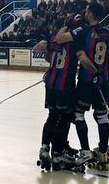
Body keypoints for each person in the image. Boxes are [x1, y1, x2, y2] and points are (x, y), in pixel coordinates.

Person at [56, 3, 109, 171]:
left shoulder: (83, 31)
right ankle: (103, 152)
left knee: (78, 114)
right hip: (104, 81)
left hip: (87, 80)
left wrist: (68, 24)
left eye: (86, 10)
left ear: (90, 14)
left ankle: (85, 151)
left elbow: (60, 39)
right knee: (102, 116)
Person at [34, 14, 84, 171]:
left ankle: (44, 149)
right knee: (63, 118)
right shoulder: (75, 42)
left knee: (52, 116)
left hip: (50, 84)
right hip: (64, 86)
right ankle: (58, 153)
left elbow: (38, 49)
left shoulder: (54, 38)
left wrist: (53, 64)